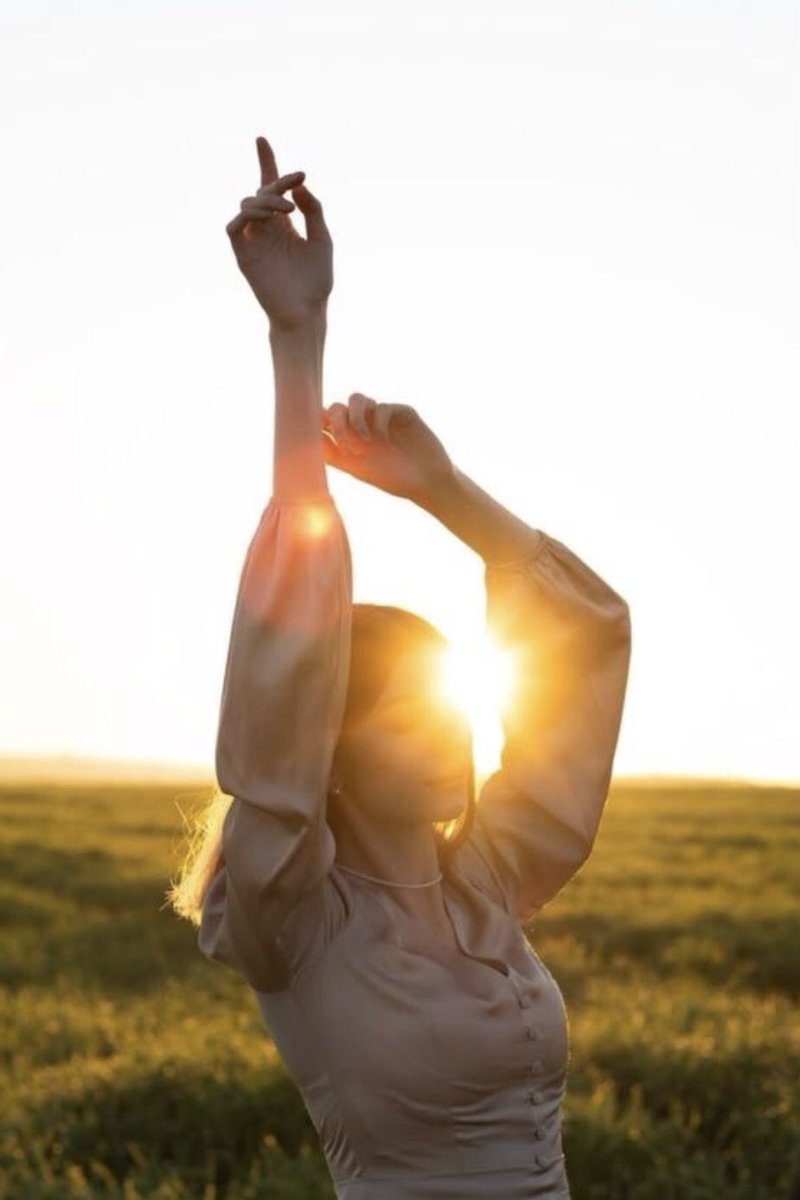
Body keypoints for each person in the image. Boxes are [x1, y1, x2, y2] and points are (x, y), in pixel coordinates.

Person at [173, 135, 632, 1200]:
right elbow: (287, 641)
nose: (454, 737)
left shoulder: (485, 880)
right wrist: (300, 339)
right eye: (411, 720)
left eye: (451, 713)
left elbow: (584, 639)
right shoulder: (294, 919)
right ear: (328, 751)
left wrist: (443, 489)